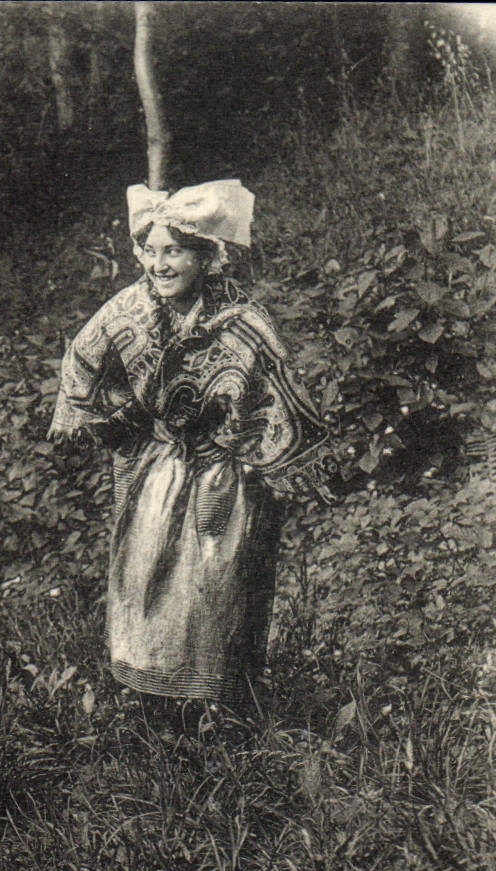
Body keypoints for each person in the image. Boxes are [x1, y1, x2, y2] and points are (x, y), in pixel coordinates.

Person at [48, 180, 329, 724]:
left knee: (213, 585)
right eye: (149, 252)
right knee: (146, 577)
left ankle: (217, 711)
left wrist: (263, 455)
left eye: (173, 251)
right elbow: (80, 364)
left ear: (206, 256)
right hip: (158, 470)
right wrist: (117, 417)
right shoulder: (128, 309)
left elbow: (280, 396)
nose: (159, 264)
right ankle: (154, 702)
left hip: (225, 477)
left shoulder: (244, 322)